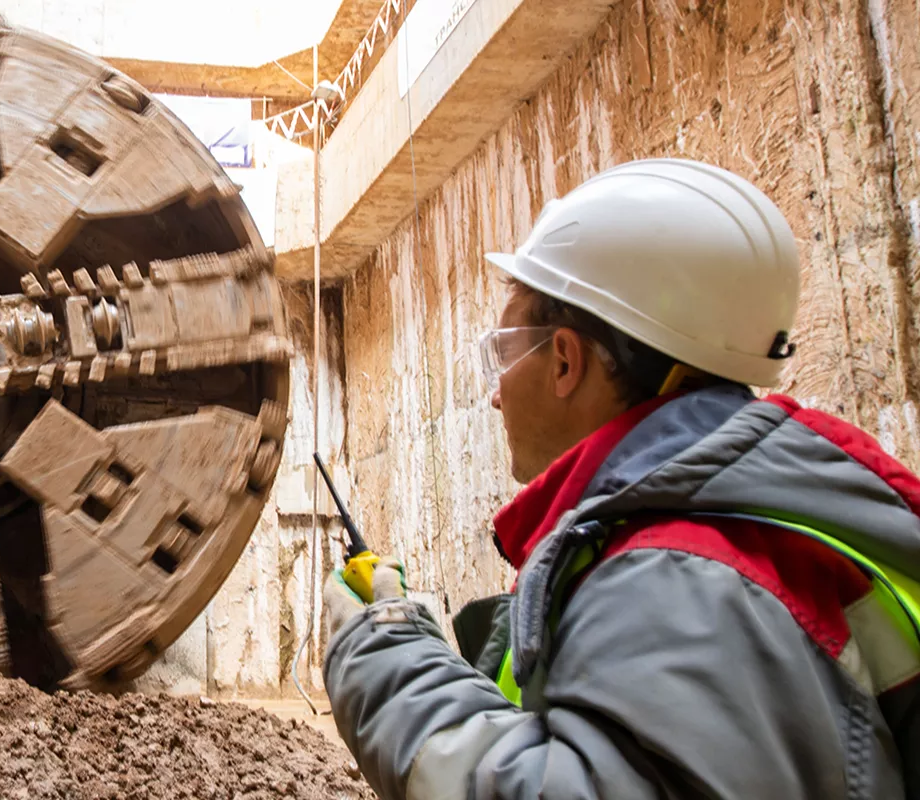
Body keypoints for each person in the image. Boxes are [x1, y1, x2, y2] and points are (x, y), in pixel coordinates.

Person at [322, 158, 919, 799]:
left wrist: (386, 655)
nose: (496, 394)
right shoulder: (769, 522)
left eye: (504, 350)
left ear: (564, 360)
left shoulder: (684, 578)